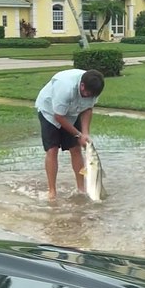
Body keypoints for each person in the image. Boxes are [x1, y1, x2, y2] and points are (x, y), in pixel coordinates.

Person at [35, 68, 105, 200]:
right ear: (82, 85)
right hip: (50, 112)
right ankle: (52, 191)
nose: (88, 96)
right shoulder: (65, 87)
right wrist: (78, 134)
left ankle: (81, 189)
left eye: (91, 95)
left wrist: (85, 133)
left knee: (75, 149)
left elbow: (88, 109)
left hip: (72, 113)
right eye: (86, 93)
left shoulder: (94, 88)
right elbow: (59, 117)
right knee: (52, 150)